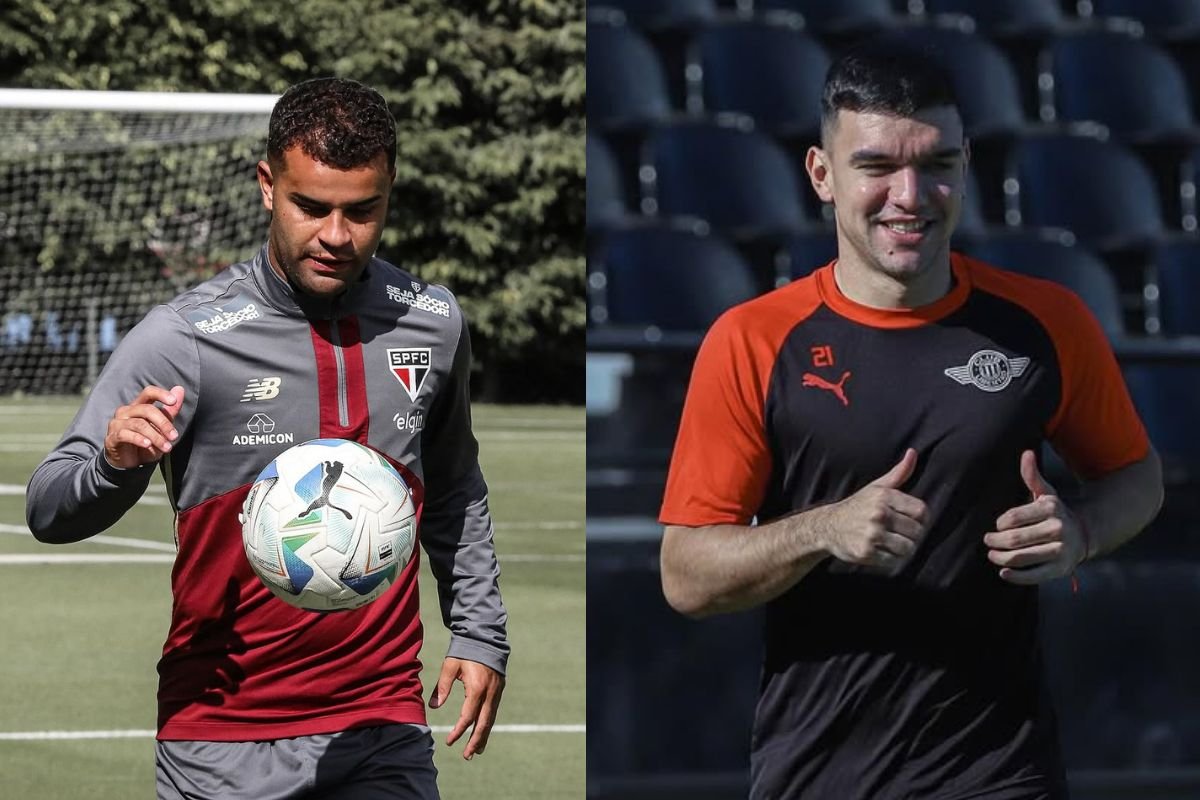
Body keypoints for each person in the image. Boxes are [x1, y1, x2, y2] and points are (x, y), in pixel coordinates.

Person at [658, 42, 1163, 799]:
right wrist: (824, 529)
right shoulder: (754, 340)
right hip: (819, 774)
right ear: (822, 175)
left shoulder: (1046, 323)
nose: (911, 194)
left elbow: (1137, 477)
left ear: (965, 167)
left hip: (1002, 771)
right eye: (877, 168)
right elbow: (686, 576)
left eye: (937, 165)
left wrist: (1082, 532)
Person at [26, 77, 507, 800]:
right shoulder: (184, 338)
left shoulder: (431, 321)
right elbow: (47, 508)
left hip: (380, 723)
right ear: (265, 186)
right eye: (311, 207)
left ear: (389, 193)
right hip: (221, 734)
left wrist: (478, 628)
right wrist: (114, 464)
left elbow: (455, 484)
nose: (337, 236)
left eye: (362, 211)